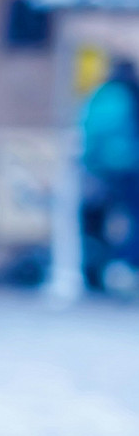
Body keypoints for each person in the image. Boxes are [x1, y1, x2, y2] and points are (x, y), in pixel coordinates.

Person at [80, 56, 139, 288]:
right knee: (133, 218)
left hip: (100, 170)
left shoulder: (99, 95)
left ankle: (96, 271)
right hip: (129, 167)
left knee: (97, 221)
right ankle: (127, 264)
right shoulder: (129, 95)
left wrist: (90, 164)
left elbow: (88, 133)